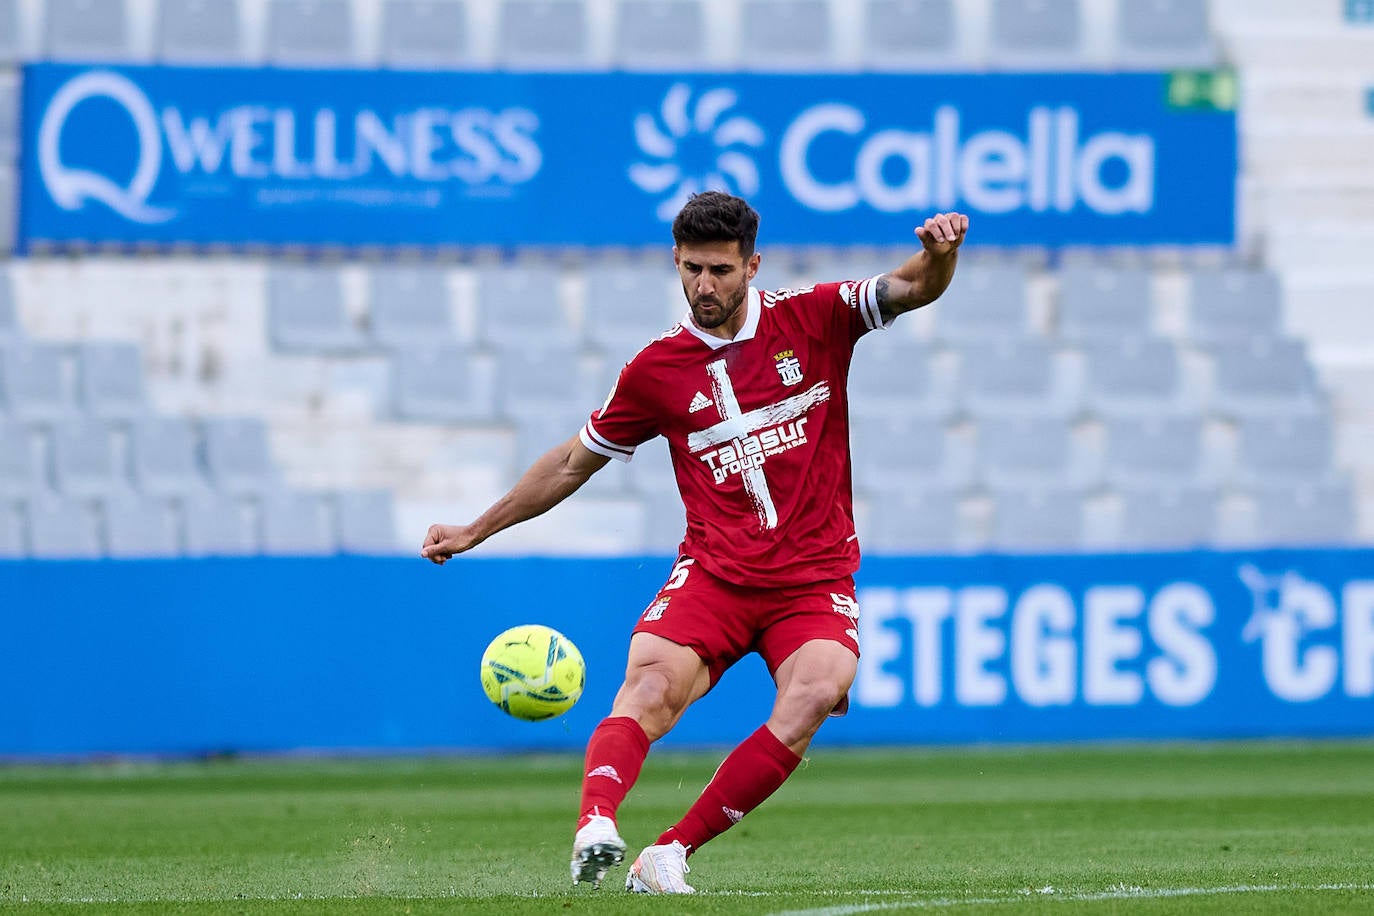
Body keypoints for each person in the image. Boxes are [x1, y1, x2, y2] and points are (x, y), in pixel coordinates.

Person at [421, 191, 969, 894]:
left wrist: (939, 254)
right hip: (715, 575)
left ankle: (670, 853)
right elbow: (570, 463)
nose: (703, 286)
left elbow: (916, 286)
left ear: (752, 267)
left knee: (818, 690)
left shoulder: (817, 315)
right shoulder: (656, 370)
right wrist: (474, 530)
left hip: (813, 577)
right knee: (649, 688)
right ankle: (595, 826)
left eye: (719, 270)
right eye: (691, 269)